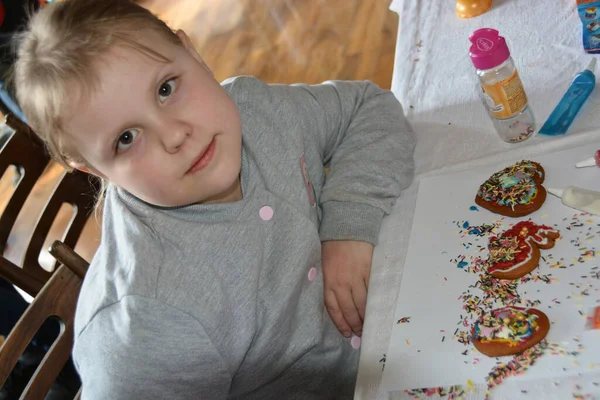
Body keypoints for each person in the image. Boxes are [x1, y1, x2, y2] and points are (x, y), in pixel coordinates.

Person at [12, 0, 415, 397]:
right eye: (126, 139)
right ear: (94, 170)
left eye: (166, 89)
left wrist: (346, 227)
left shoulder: (255, 109)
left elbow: (366, 107)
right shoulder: (147, 327)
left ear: (193, 53)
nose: (174, 135)